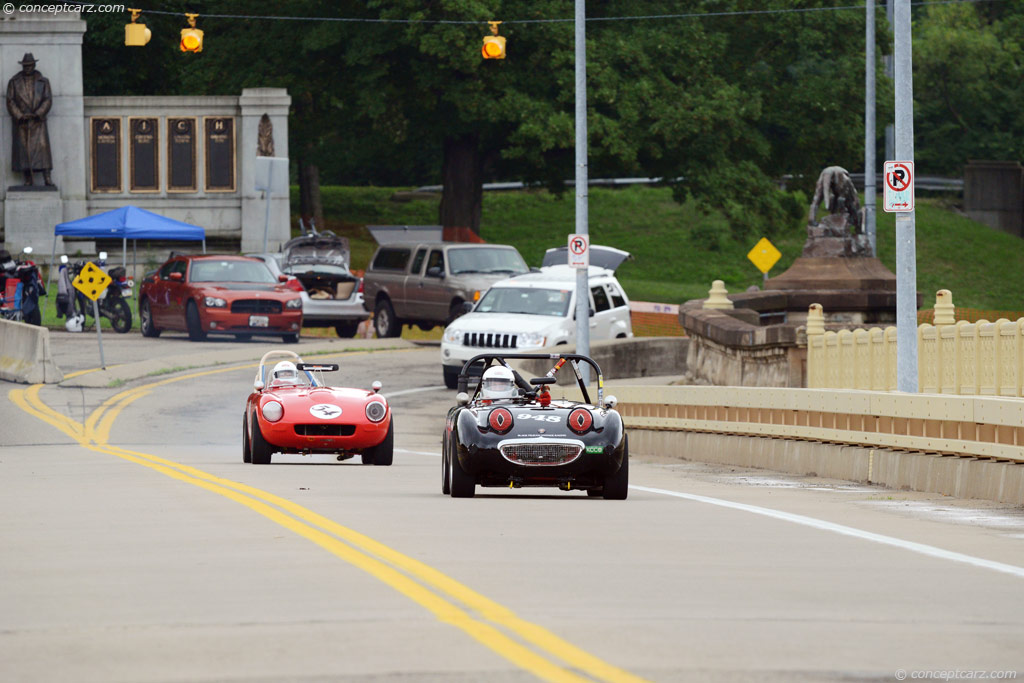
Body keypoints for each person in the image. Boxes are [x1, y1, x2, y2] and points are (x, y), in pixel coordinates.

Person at [6, 53, 54, 187]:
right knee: (23, 152)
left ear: (34, 65)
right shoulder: (14, 82)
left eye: (30, 65)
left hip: (38, 122)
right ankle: (28, 178)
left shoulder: (43, 81)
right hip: (22, 123)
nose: (27, 68)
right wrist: (20, 115)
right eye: (25, 66)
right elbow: (10, 101)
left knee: (43, 150)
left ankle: (47, 177)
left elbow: (48, 99)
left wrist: (38, 113)